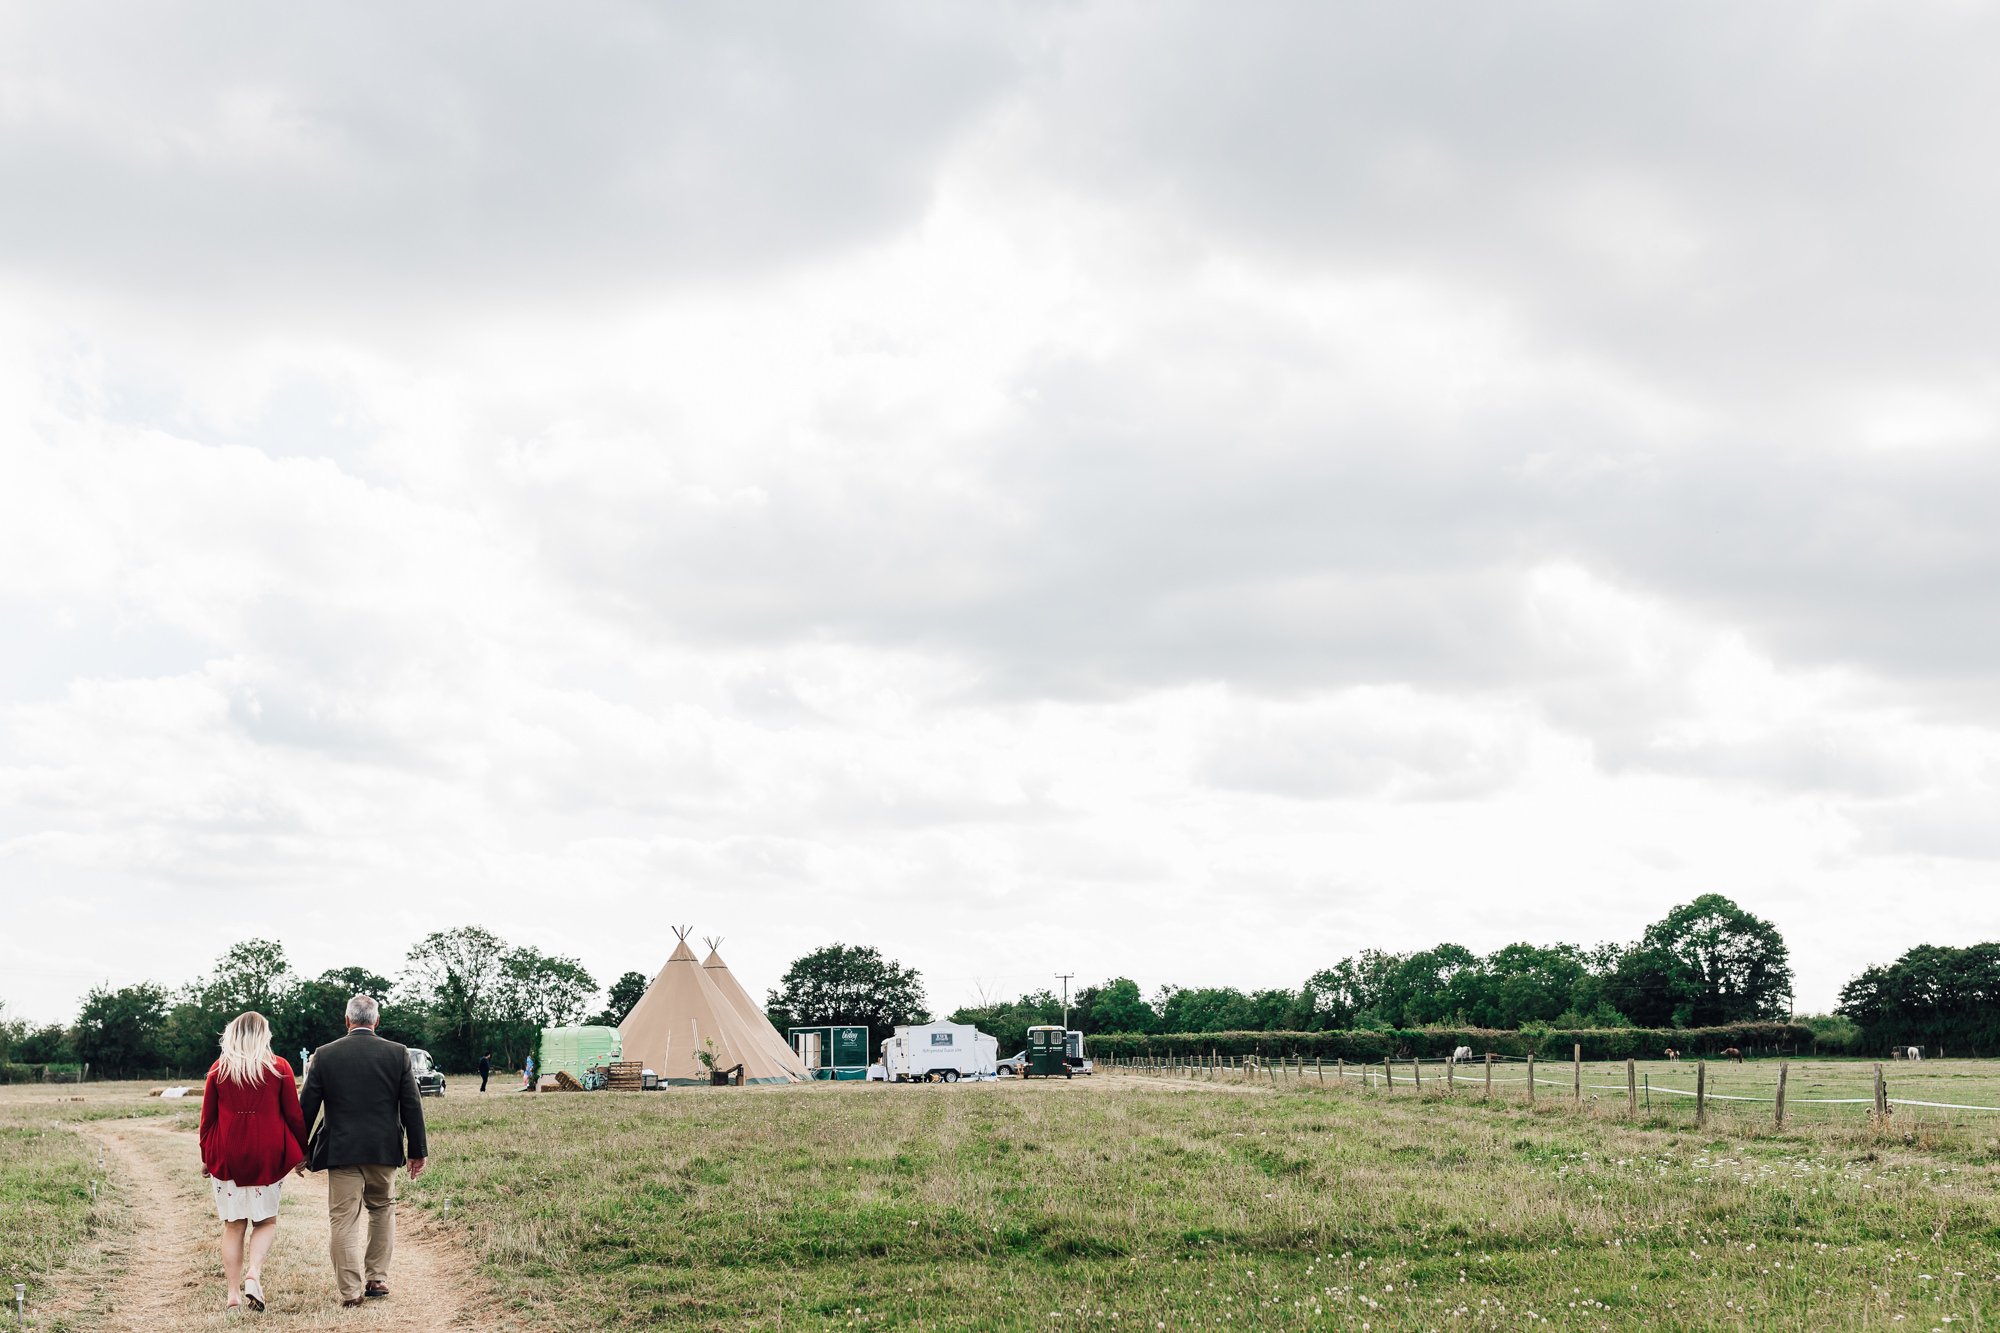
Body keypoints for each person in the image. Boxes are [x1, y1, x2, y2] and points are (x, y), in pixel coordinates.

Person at [298, 996, 428, 1308]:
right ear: (376, 1021)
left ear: (347, 1021)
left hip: (341, 1150)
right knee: (382, 1209)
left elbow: (306, 1108)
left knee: (343, 1219)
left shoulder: (324, 1055)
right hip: (383, 1149)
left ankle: (350, 1293)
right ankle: (377, 1278)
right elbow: (412, 1105)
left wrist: (299, 1150)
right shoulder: (397, 1053)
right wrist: (417, 1150)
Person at [198, 1012, 307, 1313]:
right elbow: (294, 1115)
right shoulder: (279, 1067)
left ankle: (233, 1294)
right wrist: (302, 1150)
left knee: (234, 1225)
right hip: (268, 1155)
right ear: (264, 1035)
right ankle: (253, 1273)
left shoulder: (218, 1070)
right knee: (265, 1221)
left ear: (232, 1035)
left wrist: (207, 1156)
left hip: (228, 1155)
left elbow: (208, 1120)